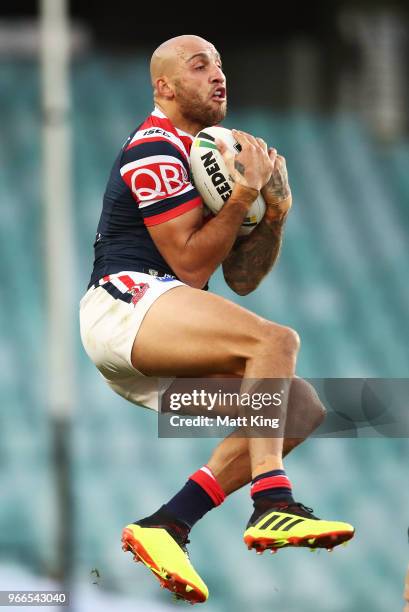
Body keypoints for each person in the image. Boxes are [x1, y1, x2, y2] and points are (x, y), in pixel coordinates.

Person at [79, 34, 354, 605]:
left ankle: (168, 524)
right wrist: (243, 194)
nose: (217, 75)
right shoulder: (154, 146)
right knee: (275, 340)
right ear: (165, 87)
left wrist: (274, 213)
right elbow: (185, 261)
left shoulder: (206, 151)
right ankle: (273, 504)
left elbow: (242, 278)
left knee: (298, 407)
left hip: (156, 339)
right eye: (199, 66)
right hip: (123, 309)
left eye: (220, 65)